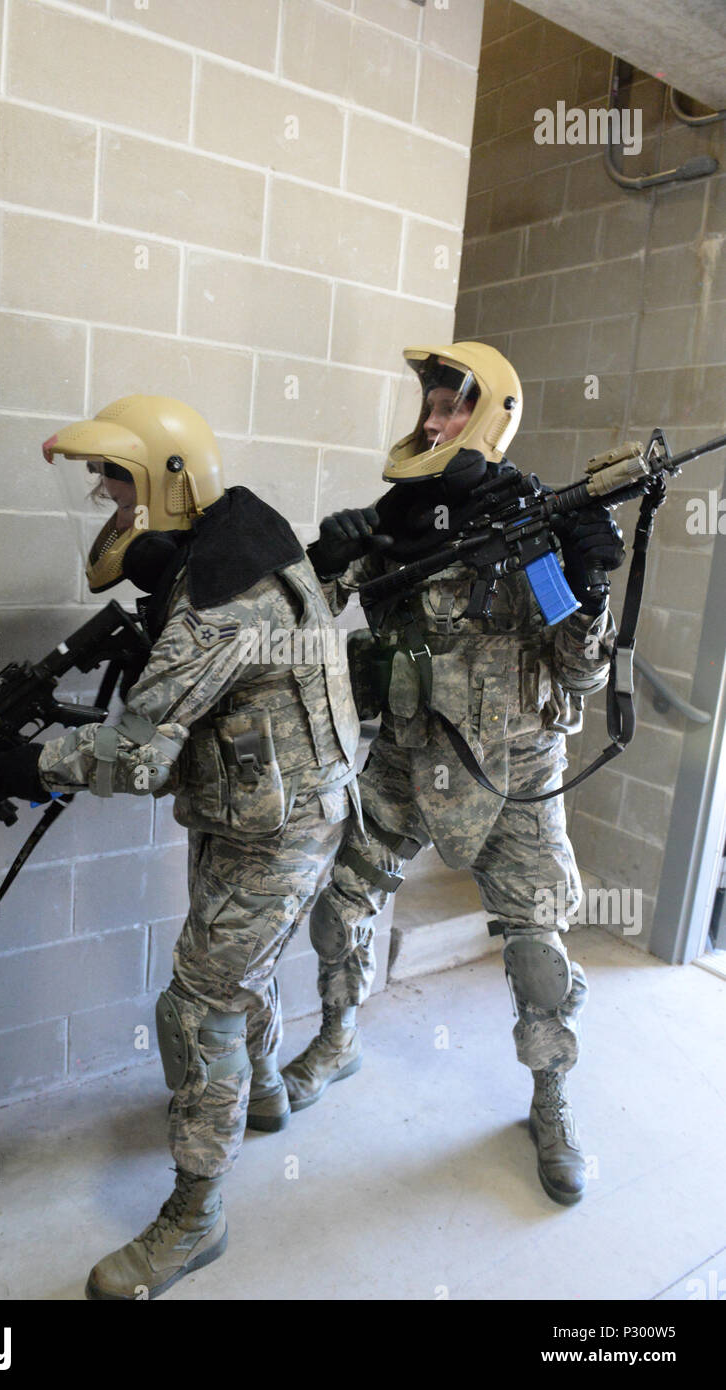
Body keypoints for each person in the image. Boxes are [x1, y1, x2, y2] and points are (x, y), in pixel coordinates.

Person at [0, 394, 361, 1297]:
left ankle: (196, 1217)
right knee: (229, 967)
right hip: (258, 804)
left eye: (116, 480)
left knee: (196, 1003)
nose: (102, 499)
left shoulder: (220, 602)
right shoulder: (239, 541)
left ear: (170, 487)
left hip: (281, 823)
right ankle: (262, 1097)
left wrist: (19, 765)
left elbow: (134, 758)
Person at [282, 342, 625, 1206]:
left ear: (491, 417)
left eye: (450, 410)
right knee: (340, 908)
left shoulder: (533, 534)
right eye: (428, 408)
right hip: (404, 759)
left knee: (539, 953)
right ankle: (336, 1038)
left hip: (513, 774)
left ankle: (550, 1101)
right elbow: (303, 617)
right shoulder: (397, 524)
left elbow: (580, 673)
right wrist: (325, 558)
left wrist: (585, 592)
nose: (432, 423)